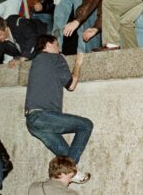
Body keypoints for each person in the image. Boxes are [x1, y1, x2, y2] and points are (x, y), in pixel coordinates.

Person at [24, 35, 92, 184]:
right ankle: (71, 172)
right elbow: (71, 85)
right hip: (43, 116)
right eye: (57, 44)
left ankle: (70, 173)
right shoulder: (55, 58)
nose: (59, 48)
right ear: (48, 44)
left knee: (65, 155)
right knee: (86, 125)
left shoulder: (36, 60)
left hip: (32, 121)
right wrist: (78, 63)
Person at [0, 15, 46, 108]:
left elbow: (33, 39)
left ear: (6, 28)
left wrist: (21, 58)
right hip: (28, 51)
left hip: (44, 35)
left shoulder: (18, 23)